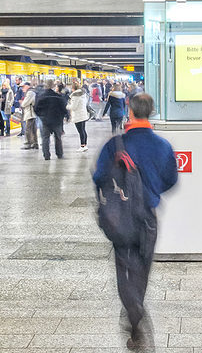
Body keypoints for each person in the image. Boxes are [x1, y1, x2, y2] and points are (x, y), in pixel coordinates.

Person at [92, 93, 178, 345]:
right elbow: (171, 179)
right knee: (142, 267)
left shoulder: (116, 144)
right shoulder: (162, 145)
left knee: (124, 265)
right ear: (151, 112)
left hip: (120, 217)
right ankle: (136, 308)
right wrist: (151, 191)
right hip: (147, 217)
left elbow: (99, 177)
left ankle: (133, 309)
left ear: (129, 111)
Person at [34, 80, 70, 160]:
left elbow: (36, 108)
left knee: (45, 138)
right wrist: (64, 116)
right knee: (58, 138)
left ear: (45, 86)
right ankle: (59, 154)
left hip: (45, 120)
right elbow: (64, 109)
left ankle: (46, 155)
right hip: (57, 121)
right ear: (53, 86)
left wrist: (41, 116)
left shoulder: (41, 97)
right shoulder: (58, 96)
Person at [67, 84, 91, 152]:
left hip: (78, 115)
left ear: (73, 88)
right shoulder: (83, 94)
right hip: (83, 114)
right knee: (83, 130)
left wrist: (67, 106)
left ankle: (82, 146)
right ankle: (85, 145)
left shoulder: (75, 96)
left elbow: (73, 107)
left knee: (80, 131)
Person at [20, 82, 39, 149]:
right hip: (32, 113)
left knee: (28, 129)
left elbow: (24, 103)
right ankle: (35, 143)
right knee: (33, 129)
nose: (22, 89)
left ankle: (28, 143)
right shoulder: (32, 92)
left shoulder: (30, 93)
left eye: (23, 87)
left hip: (30, 114)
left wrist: (22, 103)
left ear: (27, 86)